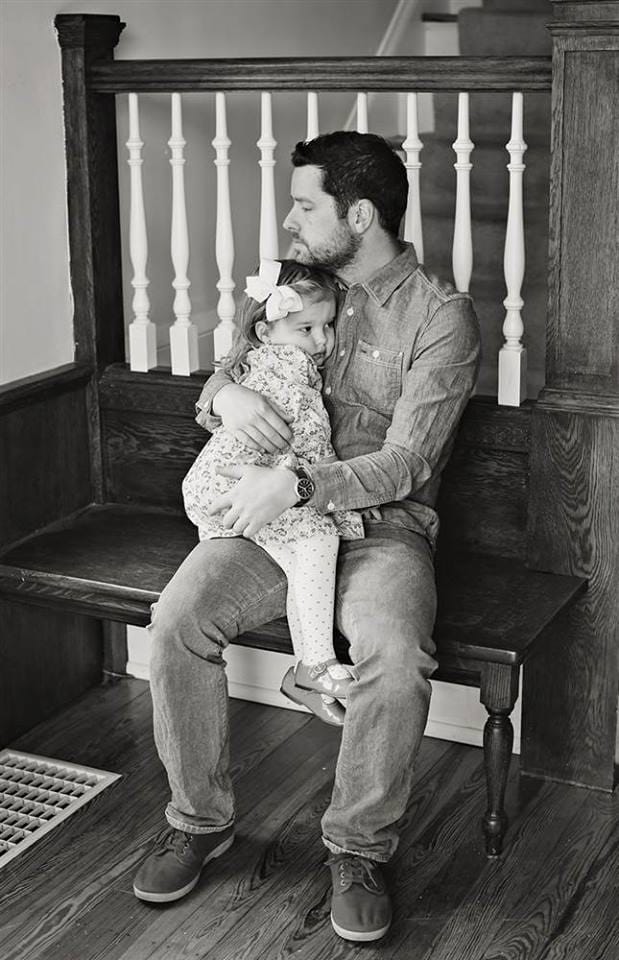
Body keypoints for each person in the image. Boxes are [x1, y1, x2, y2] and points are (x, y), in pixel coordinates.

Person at [133, 131, 480, 942]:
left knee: (394, 654)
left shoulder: (440, 316)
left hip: (381, 527)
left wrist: (298, 483)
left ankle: (357, 850)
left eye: (303, 204)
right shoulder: (292, 286)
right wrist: (222, 394)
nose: (289, 220)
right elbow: (238, 364)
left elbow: (408, 461)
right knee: (177, 619)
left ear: (357, 215)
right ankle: (198, 822)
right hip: (271, 519)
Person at [182, 258, 364, 724]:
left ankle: (308, 671)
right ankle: (315, 664)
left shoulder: (265, 358)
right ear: (266, 331)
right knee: (320, 538)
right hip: (232, 486)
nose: (322, 341)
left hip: (219, 487)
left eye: (327, 326)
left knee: (306, 556)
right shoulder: (289, 370)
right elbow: (313, 441)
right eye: (306, 329)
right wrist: (344, 510)